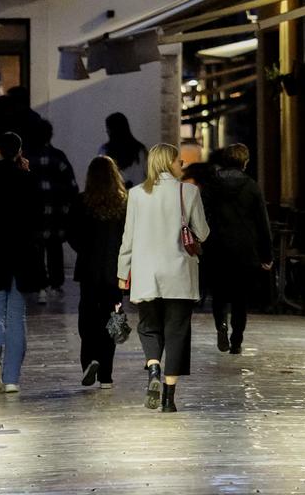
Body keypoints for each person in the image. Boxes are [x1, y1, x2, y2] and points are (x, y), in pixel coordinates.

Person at [117, 142, 209, 413]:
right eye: (178, 160)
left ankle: (153, 367)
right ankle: (169, 399)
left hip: (147, 274)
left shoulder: (135, 194)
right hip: (179, 273)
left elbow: (128, 238)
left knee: (148, 326)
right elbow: (202, 233)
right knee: (177, 331)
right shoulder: (189, 191)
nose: (182, 164)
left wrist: (123, 273)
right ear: (168, 162)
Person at [0, 131, 45, 395]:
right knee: (16, 314)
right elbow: (38, 217)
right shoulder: (28, 178)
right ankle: (12, 379)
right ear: (19, 151)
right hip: (22, 253)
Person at [202, 143, 273, 354]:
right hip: (245, 249)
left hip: (216, 247)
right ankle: (237, 340)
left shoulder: (211, 185)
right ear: (244, 162)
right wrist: (266, 253)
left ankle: (221, 325)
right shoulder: (251, 186)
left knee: (219, 294)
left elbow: (203, 214)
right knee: (241, 298)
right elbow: (262, 221)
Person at [65, 155, 128, 389]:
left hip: (89, 271)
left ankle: (90, 360)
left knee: (88, 319)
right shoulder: (124, 203)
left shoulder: (82, 202)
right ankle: (106, 376)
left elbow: (70, 232)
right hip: (115, 272)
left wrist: (84, 249)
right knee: (112, 319)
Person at [31, 117, 79, 293]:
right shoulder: (59, 157)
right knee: (54, 248)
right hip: (56, 216)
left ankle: (39, 280)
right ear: (50, 135)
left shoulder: (27, 159)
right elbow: (72, 187)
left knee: (36, 249)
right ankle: (56, 281)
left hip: (34, 215)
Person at [101, 111, 148, 189]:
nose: (107, 132)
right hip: (138, 194)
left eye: (108, 129)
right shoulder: (140, 150)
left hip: (115, 196)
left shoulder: (105, 151)